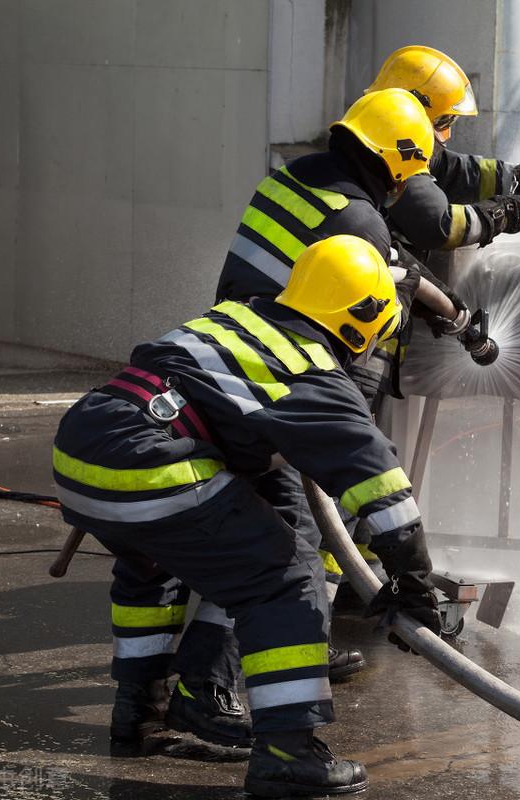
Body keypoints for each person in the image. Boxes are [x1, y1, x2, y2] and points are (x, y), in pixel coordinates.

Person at [53, 235, 443, 797]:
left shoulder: (239, 316)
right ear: (361, 322)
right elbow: (380, 487)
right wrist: (412, 580)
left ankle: (137, 712)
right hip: (149, 466)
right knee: (287, 578)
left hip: (82, 447)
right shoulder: (309, 369)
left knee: (155, 564)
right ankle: (289, 753)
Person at [368, 45, 520, 253]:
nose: (446, 137)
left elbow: (459, 172)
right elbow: (440, 226)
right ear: (414, 114)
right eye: (443, 123)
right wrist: (502, 212)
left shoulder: (377, 147)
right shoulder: (391, 166)